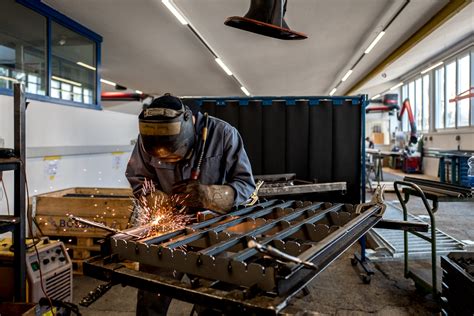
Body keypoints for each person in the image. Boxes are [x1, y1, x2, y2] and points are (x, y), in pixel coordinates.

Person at [125, 93, 256, 315]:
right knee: (151, 299)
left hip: (212, 233)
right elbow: (139, 177)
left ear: (189, 123)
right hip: (167, 232)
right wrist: (157, 200)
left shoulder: (223, 134)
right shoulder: (147, 138)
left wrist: (209, 195)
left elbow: (246, 185)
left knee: (214, 301)